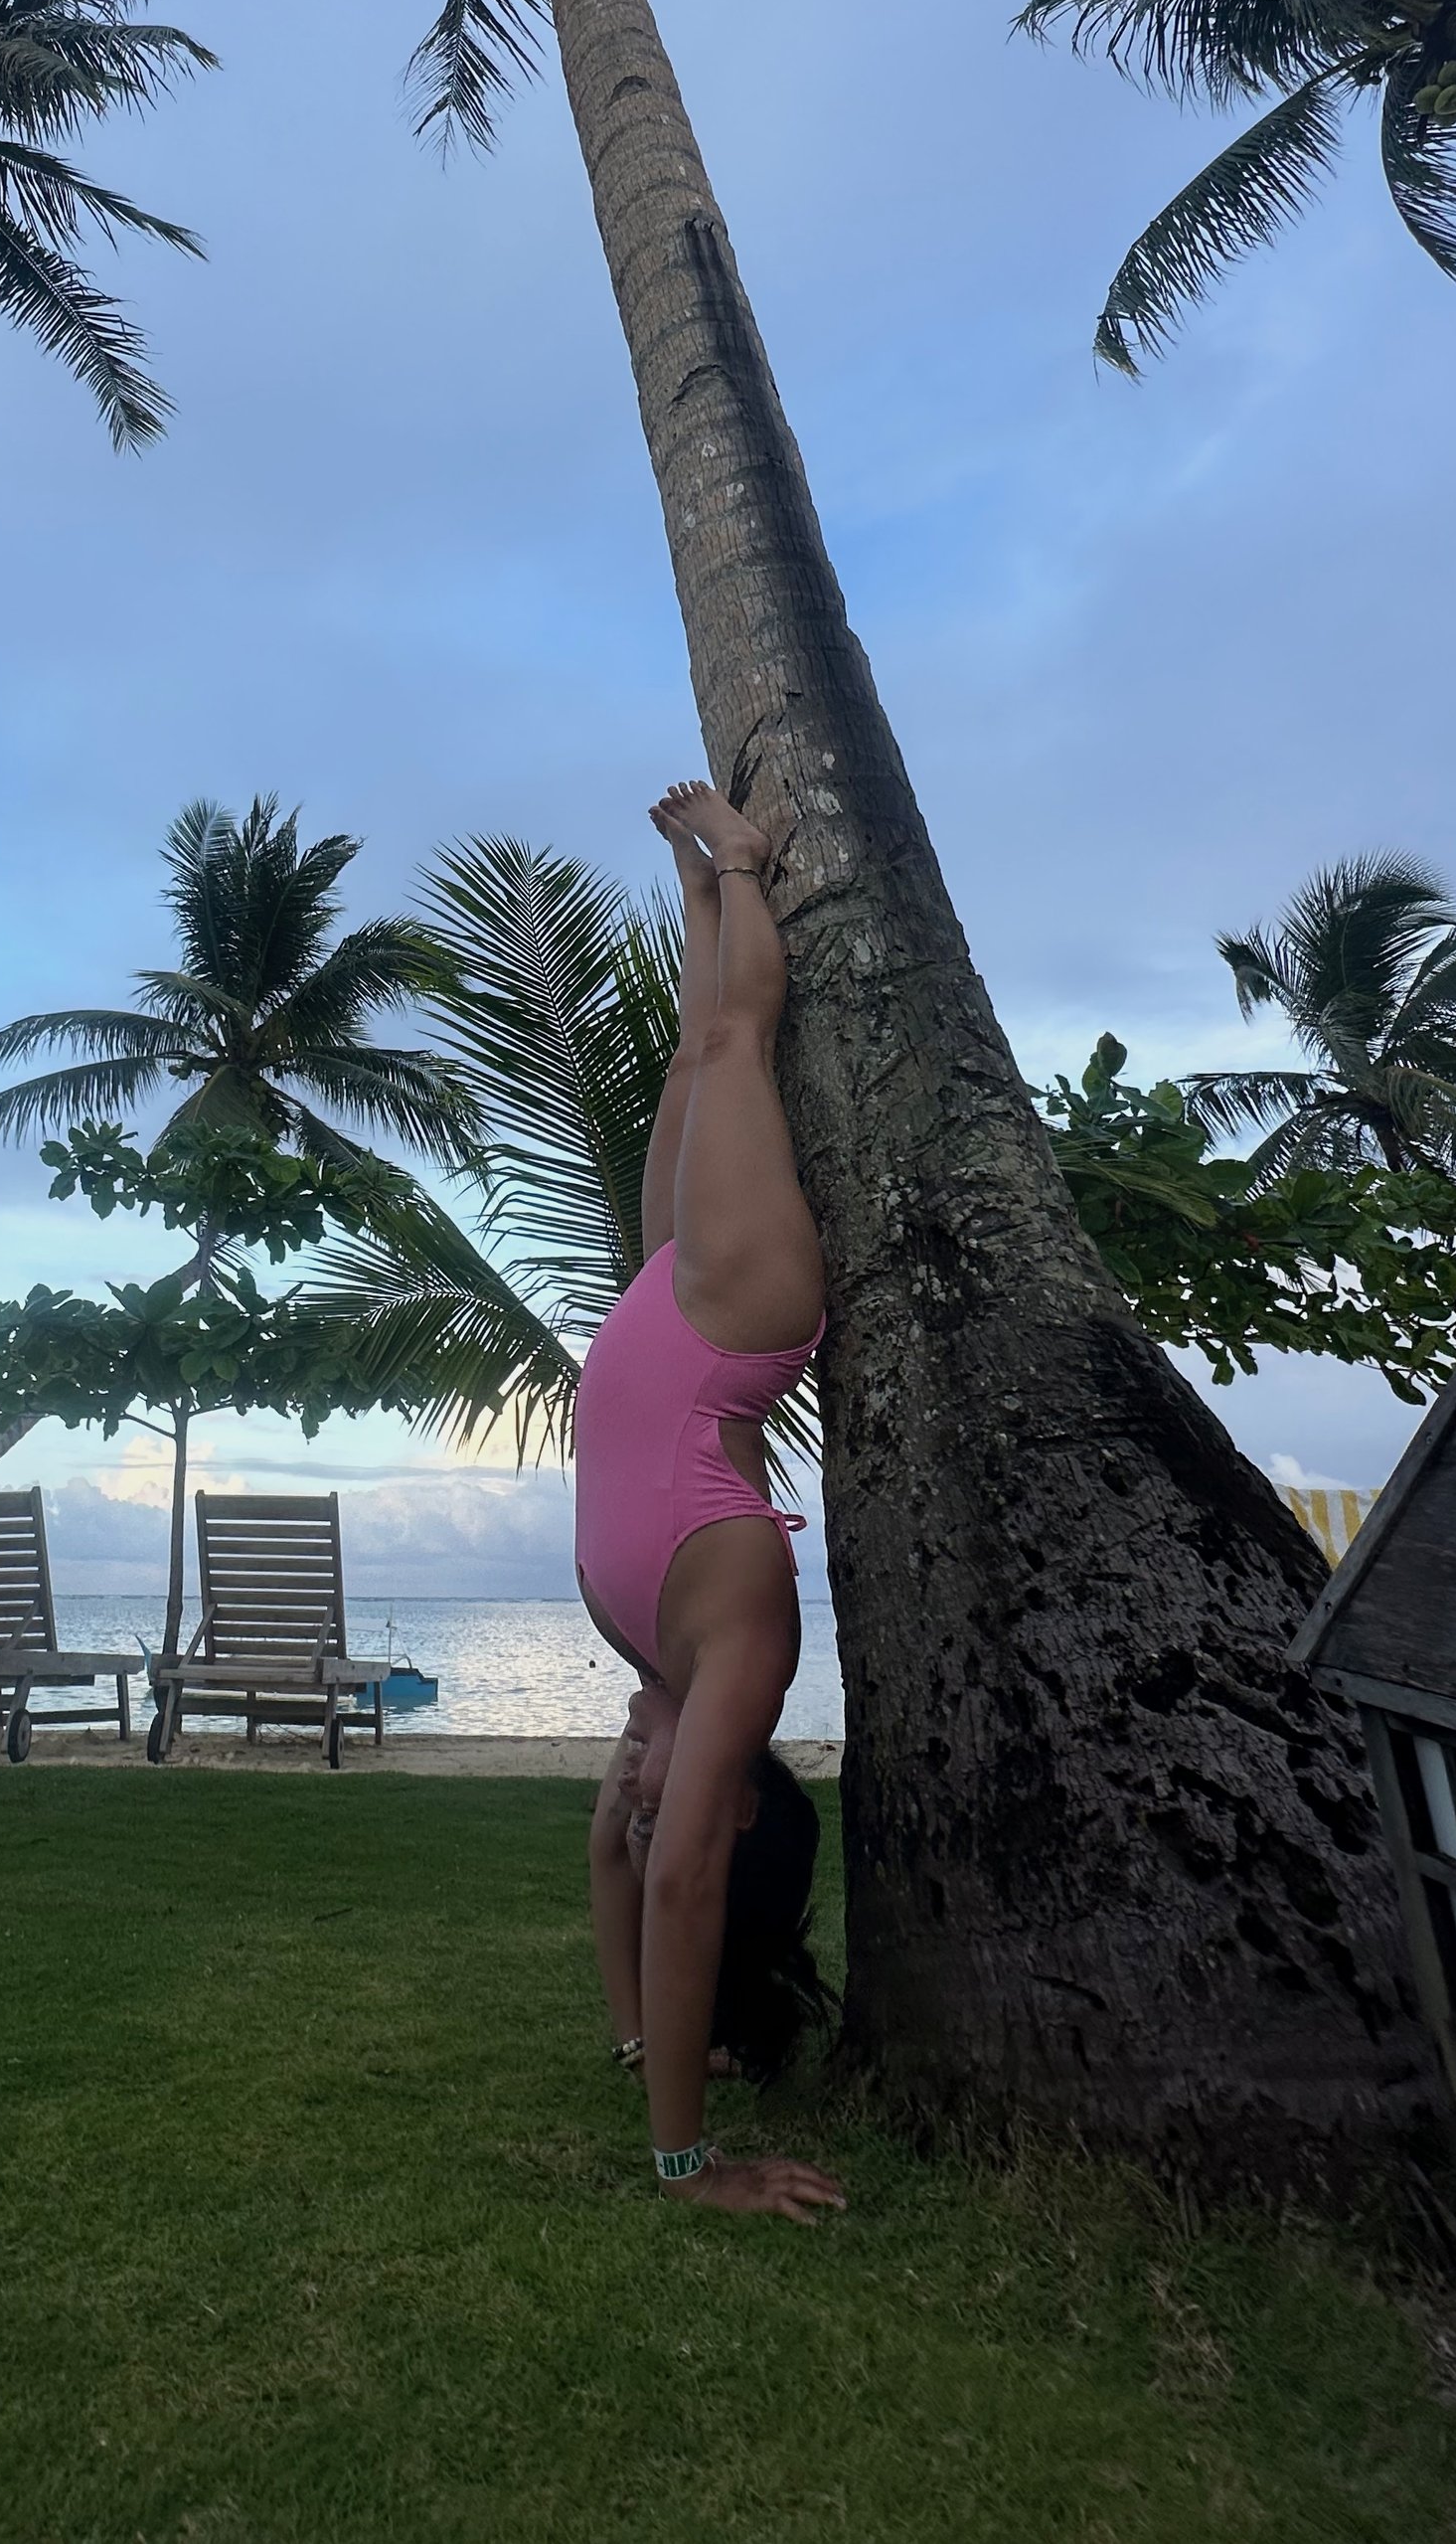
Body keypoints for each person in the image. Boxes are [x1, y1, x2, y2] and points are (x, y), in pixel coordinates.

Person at [575, 780, 845, 2224]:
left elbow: (623, 1872)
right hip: (733, 1322)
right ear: (728, 1813)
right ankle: (743, 865)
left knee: (698, 1048)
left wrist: (637, 2039)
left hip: (658, 1313)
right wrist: (690, 2165)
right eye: (658, 1800)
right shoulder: (738, 1642)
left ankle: (705, 897)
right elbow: (671, 1886)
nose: (627, 1798)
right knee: (735, 1044)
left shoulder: (650, 1667)